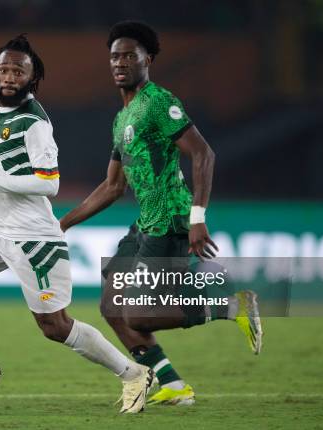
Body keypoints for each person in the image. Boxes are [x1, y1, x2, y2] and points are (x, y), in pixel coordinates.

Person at [0, 34, 154, 414]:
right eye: (3, 69)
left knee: (55, 327)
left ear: (33, 78)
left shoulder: (35, 123)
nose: (9, 76)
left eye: (18, 71)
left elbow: (50, 182)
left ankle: (132, 373)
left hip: (34, 239)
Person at [59, 21, 263, 406]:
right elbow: (113, 186)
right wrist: (64, 222)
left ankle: (232, 305)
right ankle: (172, 384)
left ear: (146, 60)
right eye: (114, 56)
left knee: (140, 316)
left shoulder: (157, 102)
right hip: (144, 223)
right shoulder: (121, 119)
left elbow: (204, 153)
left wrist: (197, 217)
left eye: (129, 56)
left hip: (170, 219)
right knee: (111, 306)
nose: (119, 62)